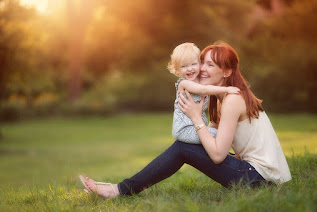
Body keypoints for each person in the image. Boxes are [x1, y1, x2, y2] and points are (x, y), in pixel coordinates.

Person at [80, 41, 291, 199]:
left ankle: (119, 190)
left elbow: (217, 155)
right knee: (186, 145)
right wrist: (201, 124)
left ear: (226, 72)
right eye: (202, 63)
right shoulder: (219, 99)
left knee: (182, 148)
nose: (202, 69)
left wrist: (194, 117)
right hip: (252, 171)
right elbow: (210, 138)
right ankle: (120, 189)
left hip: (260, 179)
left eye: (209, 65)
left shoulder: (232, 99)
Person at [167, 42, 239, 144]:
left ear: (200, 63)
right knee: (220, 135)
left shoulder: (201, 79)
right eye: (184, 66)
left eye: (193, 64)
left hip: (195, 127)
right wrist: (227, 89)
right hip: (185, 130)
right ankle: (232, 156)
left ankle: (231, 156)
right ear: (176, 69)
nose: (190, 68)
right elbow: (204, 90)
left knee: (220, 136)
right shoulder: (184, 83)